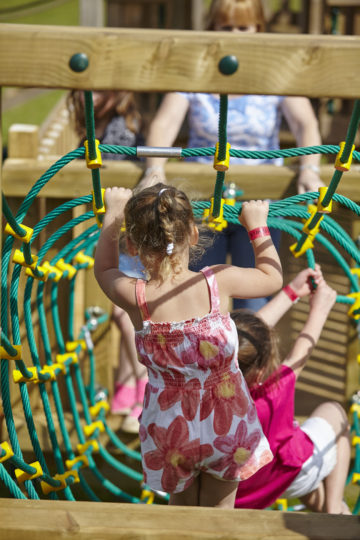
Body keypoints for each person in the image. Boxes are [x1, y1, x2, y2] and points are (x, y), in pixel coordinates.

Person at [94, 183, 283, 507]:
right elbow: (272, 277)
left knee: (179, 516)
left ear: (132, 245)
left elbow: (104, 269)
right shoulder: (218, 281)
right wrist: (257, 225)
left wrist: (113, 213)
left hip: (169, 427)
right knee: (219, 518)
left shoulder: (136, 296)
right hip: (226, 419)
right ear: (194, 235)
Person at [140, 0, 324, 311]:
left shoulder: (273, 74)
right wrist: (155, 167)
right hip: (204, 201)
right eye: (226, 28)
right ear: (212, 31)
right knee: (196, 288)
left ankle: (248, 357)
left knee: (254, 297)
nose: (236, 34)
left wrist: (310, 167)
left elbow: (305, 123)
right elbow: (165, 122)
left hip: (260, 200)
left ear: (259, 31)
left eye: (244, 27)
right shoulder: (196, 74)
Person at [231, 265, 351, 514]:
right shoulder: (272, 390)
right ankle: (333, 511)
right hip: (289, 471)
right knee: (335, 413)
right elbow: (301, 351)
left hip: (251, 486)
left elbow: (240, 340)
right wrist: (320, 309)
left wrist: (292, 292)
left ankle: (332, 508)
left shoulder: (209, 383)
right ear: (262, 371)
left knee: (310, 476)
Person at [68, 89, 147, 431]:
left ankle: (144, 384)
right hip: (115, 224)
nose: (94, 96)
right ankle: (128, 383)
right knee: (123, 312)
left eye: (101, 90)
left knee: (123, 310)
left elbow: (110, 170)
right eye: (88, 91)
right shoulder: (94, 123)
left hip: (129, 227)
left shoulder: (121, 127)